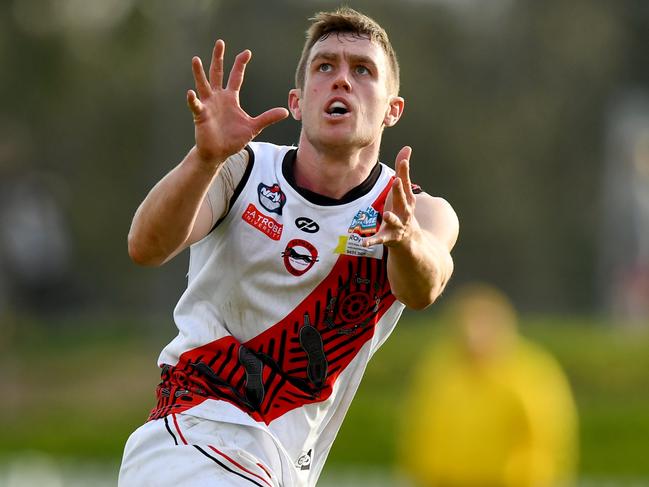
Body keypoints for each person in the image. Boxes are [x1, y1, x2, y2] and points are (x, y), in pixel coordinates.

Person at [120, 7, 458, 487]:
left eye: (362, 70)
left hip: (279, 467)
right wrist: (203, 159)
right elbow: (146, 247)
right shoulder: (240, 170)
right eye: (325, 67)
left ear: (392, 109)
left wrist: (403, 241)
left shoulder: (418, 212)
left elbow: (424, 287)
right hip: (193, 437)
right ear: (297, 102)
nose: (341, 81)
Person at [398, 283, 578, 487]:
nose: (472, 332)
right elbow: (420, 432)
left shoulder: (532, 373)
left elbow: (542, 442)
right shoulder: (438, 369)